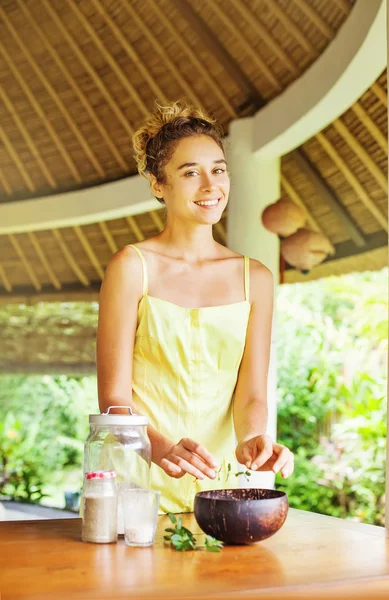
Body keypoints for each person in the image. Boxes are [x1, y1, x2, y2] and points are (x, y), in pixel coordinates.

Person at [96, 101, 294, 513]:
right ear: (158, 184)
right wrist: (161, 449)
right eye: (190, 173)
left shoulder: (254, 278)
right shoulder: (131, 267)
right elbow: (113, 398)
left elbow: (252, 391)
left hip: (219, 490)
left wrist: (251, 438)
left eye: (219, 169)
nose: (210, 186)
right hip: (137, 485)